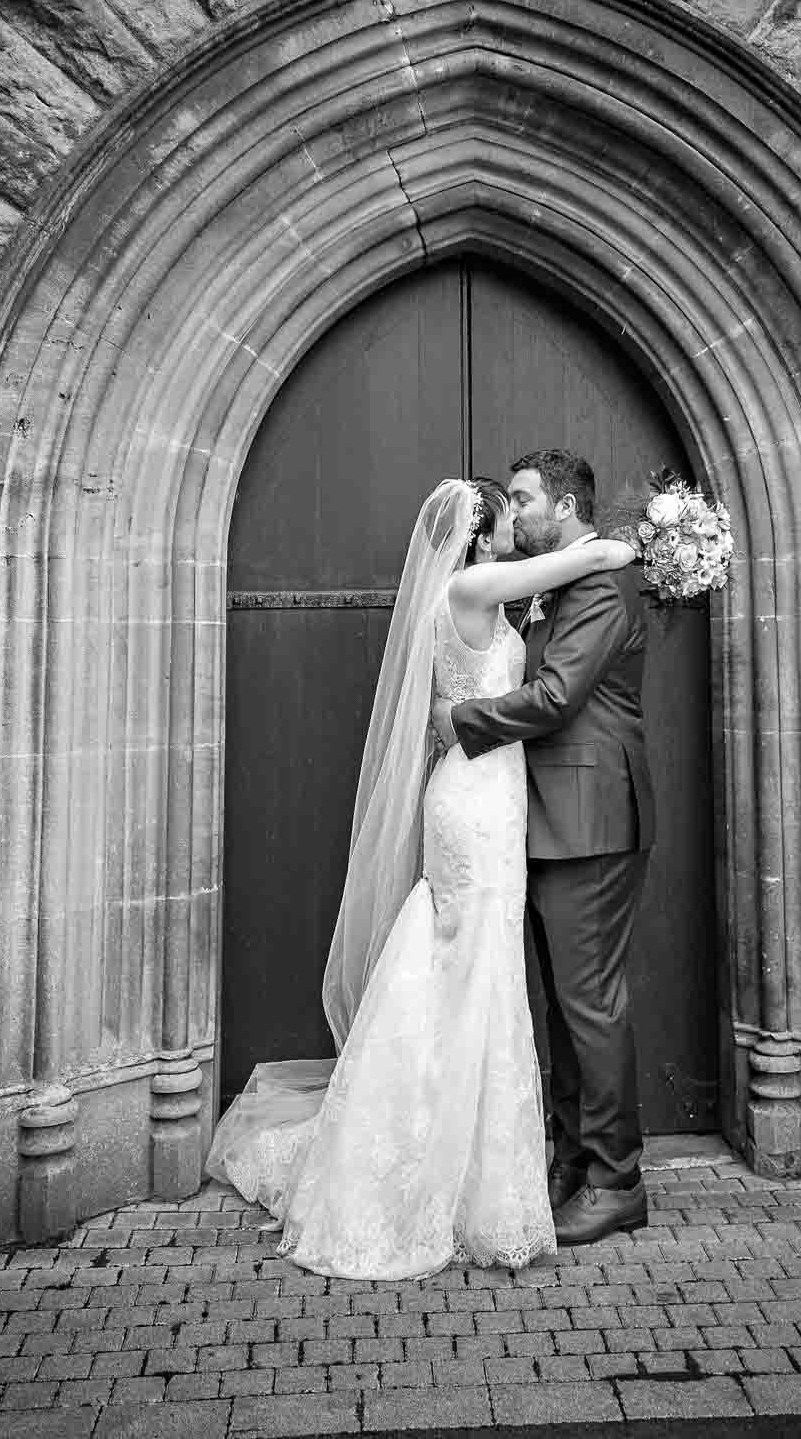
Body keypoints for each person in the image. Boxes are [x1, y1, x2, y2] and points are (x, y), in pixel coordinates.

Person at [205, 476, 636, 1280]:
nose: (517, 521)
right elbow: (599, 559)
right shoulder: (475, 584)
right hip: (478, 803)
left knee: (474, 971)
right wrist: (620, 544)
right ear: (480, 532)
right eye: (508, 510)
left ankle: (483, 1161)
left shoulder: (480, 592)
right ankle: (459, 1171)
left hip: (496, 797)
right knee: (471, 967)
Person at [433, 450, 655, 1249]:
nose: (513, 513)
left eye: (522, 500)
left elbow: (560, 697)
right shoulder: (555, 583)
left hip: (590, 817)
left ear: (563, 506)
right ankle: (570, 1157)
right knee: (563, 1002)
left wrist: (459, 722)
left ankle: (615, 1179)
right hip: (542, 820)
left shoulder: (595, 586)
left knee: (590, 1003)